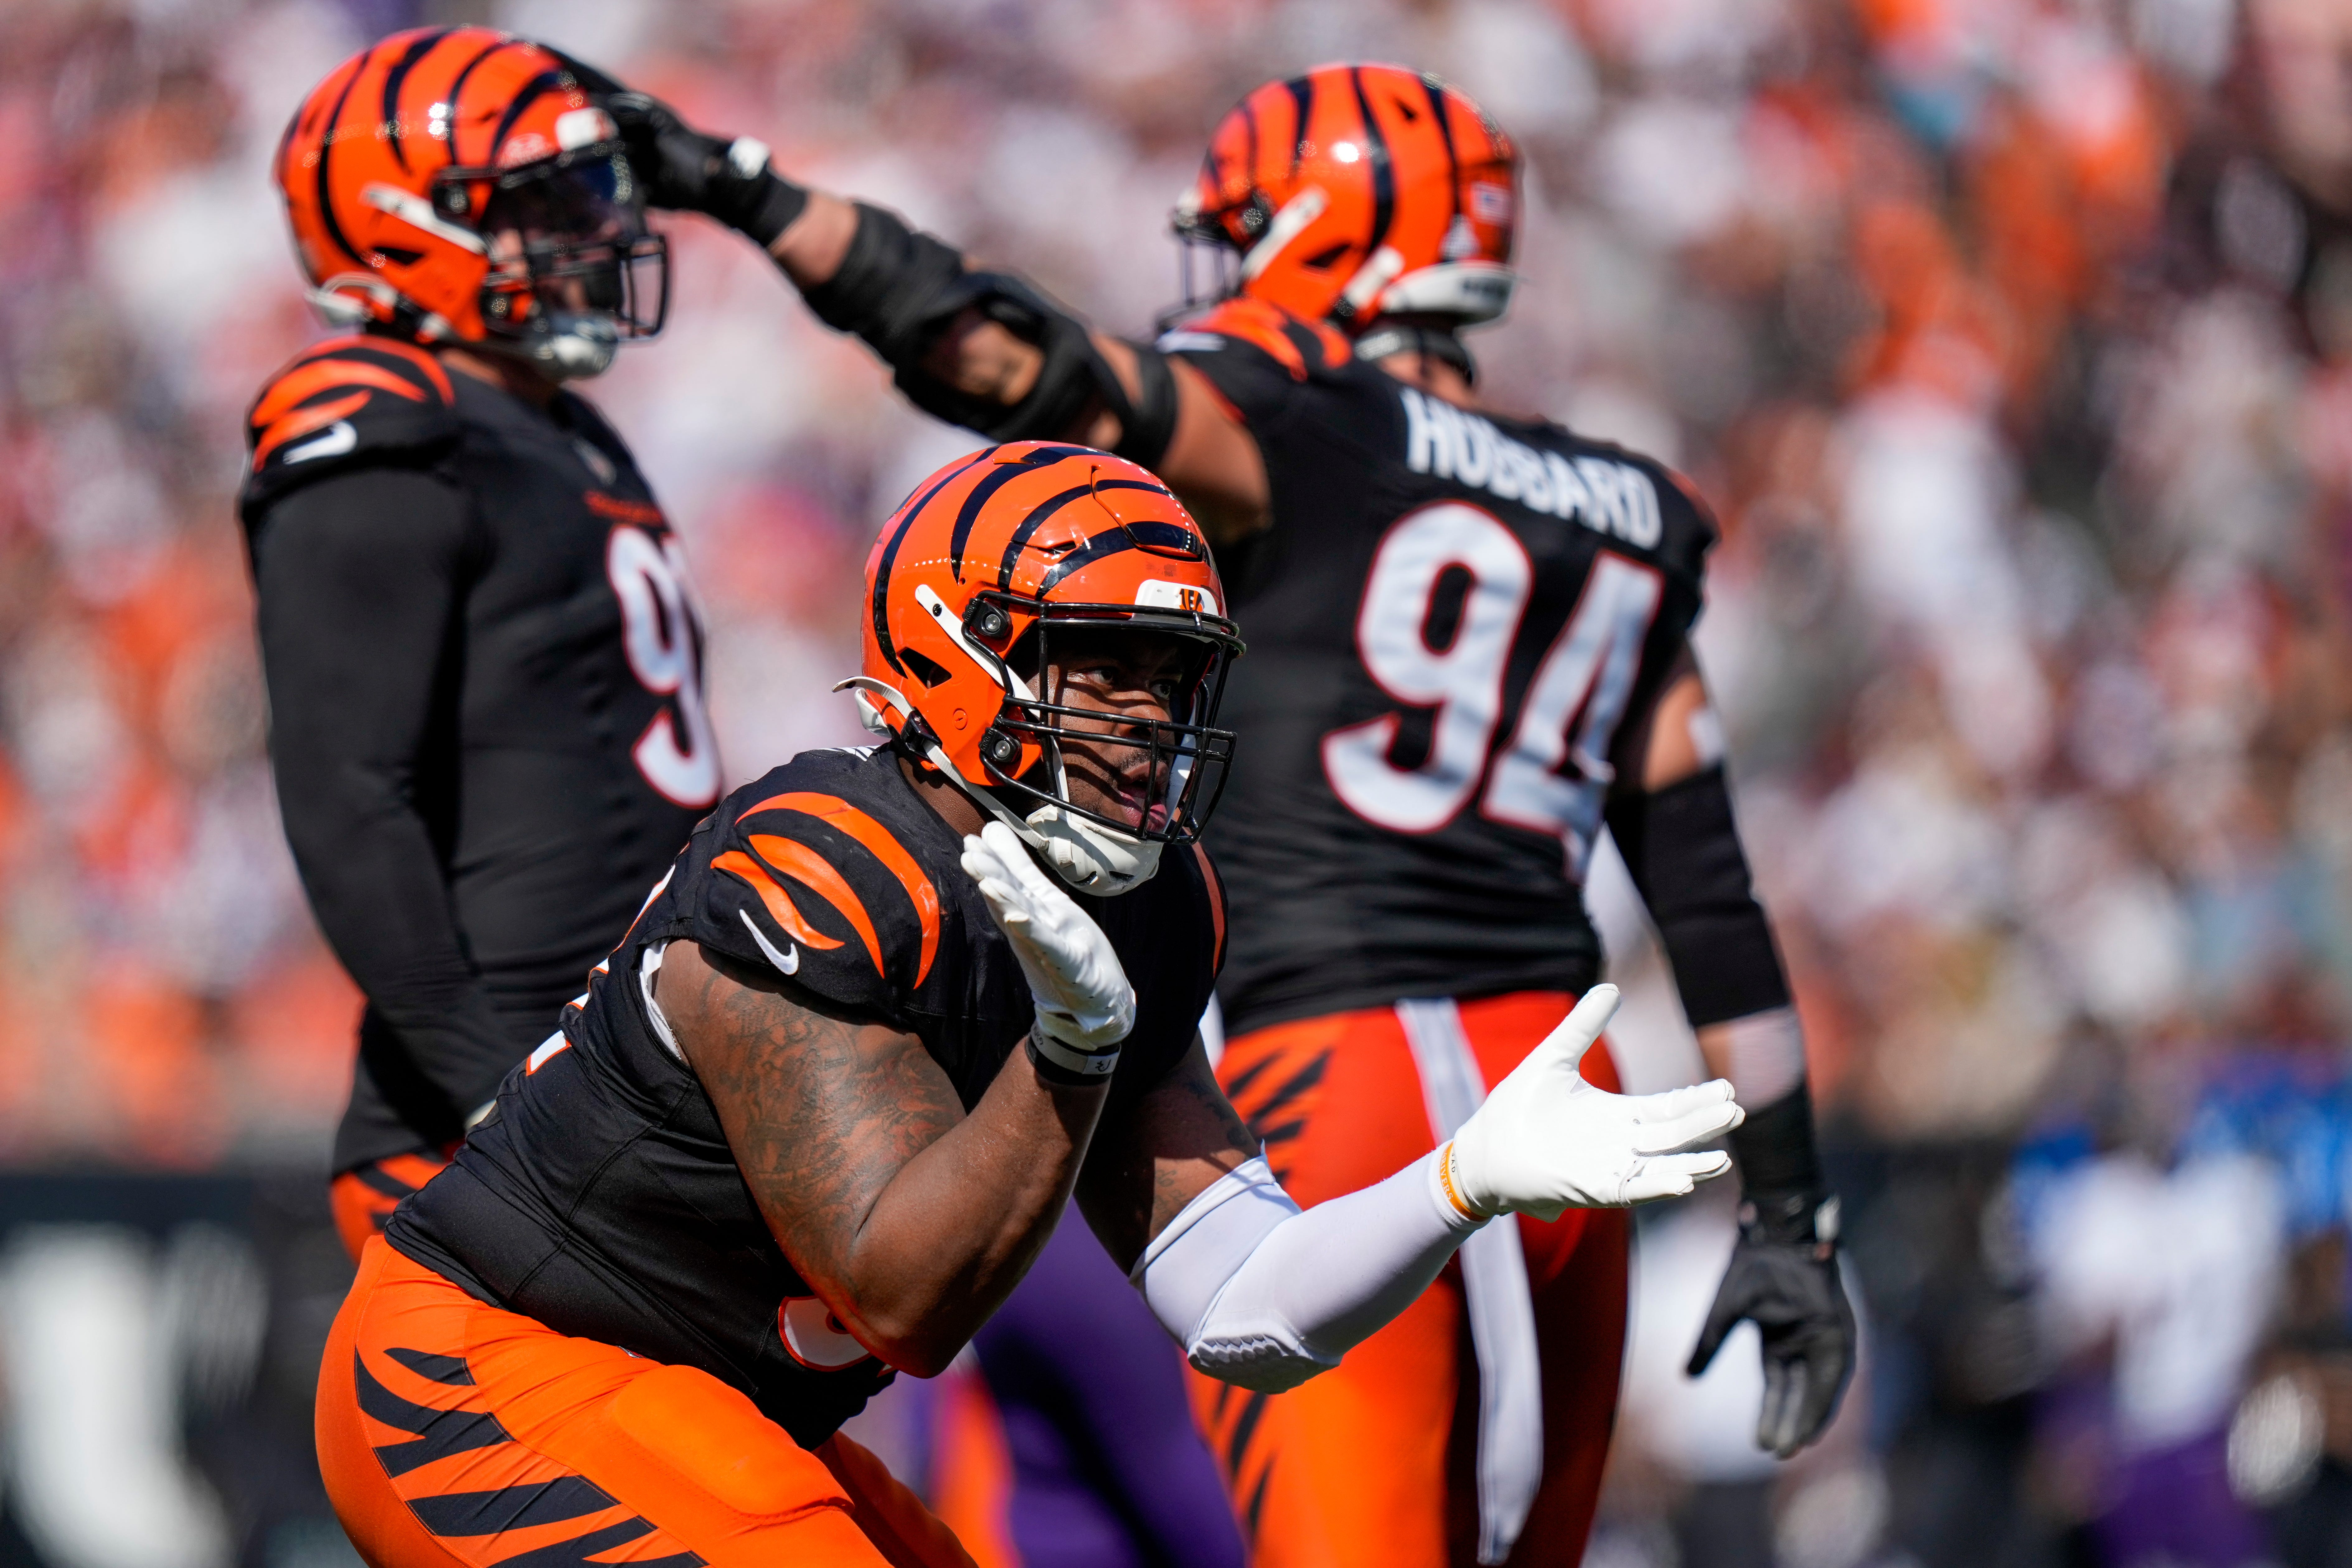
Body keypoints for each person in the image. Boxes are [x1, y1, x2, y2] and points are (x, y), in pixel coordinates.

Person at [611, 61, 1857, 1566]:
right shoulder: (1629, 513)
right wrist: (1788, 1215)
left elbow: (994, 358)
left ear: (1330, 239)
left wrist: (744, 188)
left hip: (1330, 1070)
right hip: (1551, 1077)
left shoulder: (1299, 424)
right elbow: (1710, 904)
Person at [314, 437, 1748, 1568]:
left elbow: (1245, 1310)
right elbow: (903, 1299)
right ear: (955, 646)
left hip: (718, 1406)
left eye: (1173, 674)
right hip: (490, 1367)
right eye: (1102, 663)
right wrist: (1070, 1051)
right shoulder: (829, 860)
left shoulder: (1147, 898)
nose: (1146, 716)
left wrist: (1452, 1186)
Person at [238, 28, 740, 1259]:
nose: (585, 235)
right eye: (538, 205)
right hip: (492, 1129)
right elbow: (352, 796)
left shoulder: (554, 426)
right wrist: (495, 1091)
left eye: (587, 196)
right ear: (402, 226)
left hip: (631, 1094)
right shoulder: (379, 421)